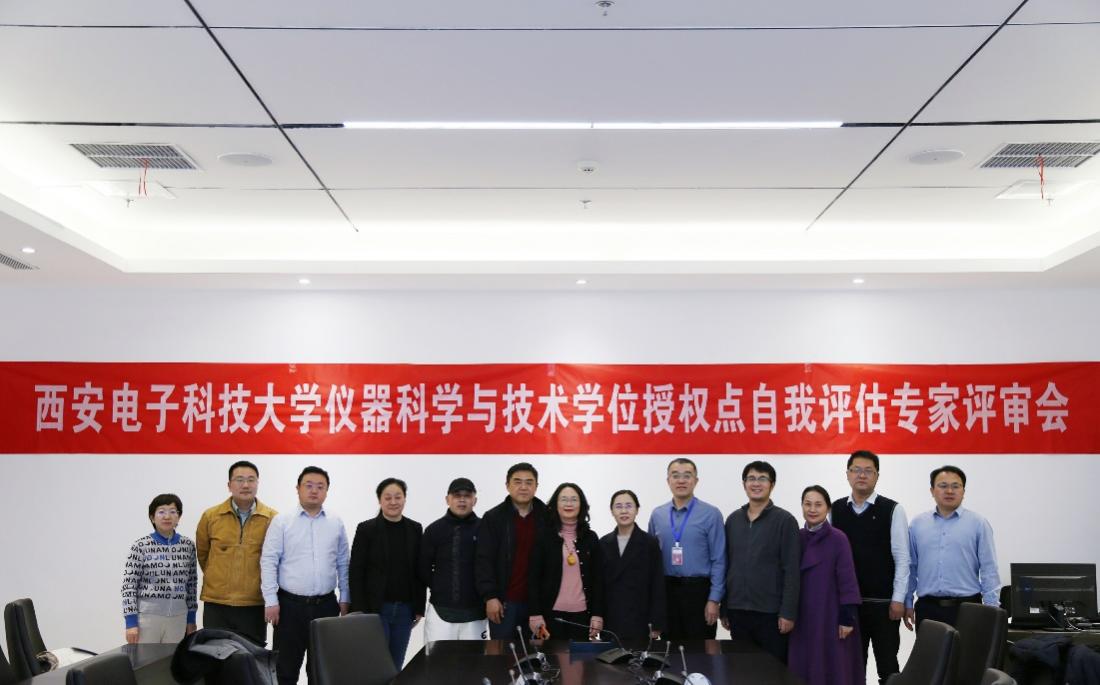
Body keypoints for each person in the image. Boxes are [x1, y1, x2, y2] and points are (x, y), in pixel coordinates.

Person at [261, 466, 350, 685]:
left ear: (327, 491)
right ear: (298, 489)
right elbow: (269, 561)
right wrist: (270, 600)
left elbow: (343, 562)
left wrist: (345, 597)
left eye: (320, 486)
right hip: (289, 607)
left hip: (326, 606)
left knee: (321, 670)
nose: (314, 490)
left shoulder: (335, 522)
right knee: (285, 669)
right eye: (308, 485)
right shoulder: (282, 521)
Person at [830, 450, 910, 685]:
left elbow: (902, 558)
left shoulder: (892, 509)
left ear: (877, 476)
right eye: (856, 470)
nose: (861, 475)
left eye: (868, 471)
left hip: (885, 605)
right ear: (847, 474)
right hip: (849, 605)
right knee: (853, 667)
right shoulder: (835, 509)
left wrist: (898, 599)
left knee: (888, 667)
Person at [721, 460, 800, 664]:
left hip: (771, 613)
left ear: (772, 485)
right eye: (751, 479)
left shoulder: (785, 521)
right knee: (741, 670)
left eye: (762, 479)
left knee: (773, 672)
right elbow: (726, 565)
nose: (756, 483)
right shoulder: (733, 520)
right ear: (744, 484)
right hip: (738, 611)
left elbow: (792, 570)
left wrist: (788, 612)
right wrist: (724, 607)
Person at [906, 465, 1000, 628]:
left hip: (968, 607)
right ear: (932, 491)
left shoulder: (978, 524)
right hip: (928, 608)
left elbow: (989, 569)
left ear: (963, 491)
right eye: (943, 486)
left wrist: (992, 609)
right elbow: (911, 567)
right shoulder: (917, 524)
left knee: (968, 646)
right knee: (931, 646)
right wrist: (907, 601)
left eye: (955, 486)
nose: (949, 491)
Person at [195, 460, 277, 645]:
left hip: (254, 603)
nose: (245, 485)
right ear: (229, 485)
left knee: (250, 656)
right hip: (217, 603)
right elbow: (204, 555)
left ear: (258, 483)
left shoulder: (272, 519)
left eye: (251, 480)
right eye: (239, 480)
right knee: (215, 655)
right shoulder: (211, 516)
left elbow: (275, 561)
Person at [788, 485, 864, 685]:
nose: (812, 509)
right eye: (807, 504)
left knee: (832, 666)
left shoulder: (838, 538)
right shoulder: (796, 537)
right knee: (803, 665)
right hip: (802, 615)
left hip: (830, 614)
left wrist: (847, 617)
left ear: (828, 508)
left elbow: (847, 580)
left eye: (818, 505)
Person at [350, 477, 426, 669]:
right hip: (375, 609)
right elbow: (356, 570)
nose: (393, 502)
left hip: (405, 610)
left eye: (398, 497)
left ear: (404, 499)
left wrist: (419, 606)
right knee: (375, 664)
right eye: (388, 497)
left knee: (395, 665)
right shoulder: (367, 529)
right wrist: (358, 608)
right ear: (380, 500)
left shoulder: (415, 528)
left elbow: (420, 569)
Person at [647, 458, 726, 640]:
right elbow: (651, 560)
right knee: (669, 649)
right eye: (675, 476)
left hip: (699, 592)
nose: (681, 480)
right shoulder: (657, 515)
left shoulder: (711, 514)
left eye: (687, 476)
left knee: (700, 651)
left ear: (696, 481)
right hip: (666, 591)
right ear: (668, 481)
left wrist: (714, 599)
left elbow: (719, 559)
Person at [475, 462, 547, 639]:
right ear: (507, 485)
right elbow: (483, 560)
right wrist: (490, 596)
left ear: (536, 486)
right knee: (502, 653)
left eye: (529, 482)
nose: (523, 487)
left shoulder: (547, 517)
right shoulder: (493, 518)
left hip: (539, 604)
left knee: (538, 653)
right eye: (517, 482)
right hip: (504, 604)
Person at [528, 483, 605, 641]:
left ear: (581, 505)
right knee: (552, 657)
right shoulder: (544, 536)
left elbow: (598, 579)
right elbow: (533, 578)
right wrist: (535, 613)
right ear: (555, 504)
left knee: (580, 657)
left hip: (582, 617)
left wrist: (597, 614)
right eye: (563, 499)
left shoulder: (591, 538)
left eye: (574, 499)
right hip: (550, 617)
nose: (569, 504)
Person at [121, 493, 198, 644]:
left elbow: (191, 585)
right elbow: (129, 586)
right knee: (145, 658)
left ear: (179, 517)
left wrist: (191, 619)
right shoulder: (141, 546)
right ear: (152, 517)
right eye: (161, 512)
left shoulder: (188, 546)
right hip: (147, 619)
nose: (167, 516)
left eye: (173, 511)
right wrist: (131, 623)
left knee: (173, 658)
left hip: (178, 618)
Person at [419, 477, 487, 643]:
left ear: (475, 500)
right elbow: (422, 567)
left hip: (476, 612)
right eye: (457, 495)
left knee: (474, 659)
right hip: (440, 610)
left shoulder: (485, 529)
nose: (462, 500)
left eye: (467, 496)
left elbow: (491, 567)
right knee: (437, 659)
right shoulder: (434, 530)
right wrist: (440, 586)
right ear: (447, 499)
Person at [599, 490, 665, 640]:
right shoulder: (603, 543)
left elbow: (657, 585)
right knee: (610, 655)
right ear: (612, 511)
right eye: (618, 506)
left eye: (629, 506)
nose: (624, 511)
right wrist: (598, 616)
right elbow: (598, 584)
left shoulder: (650, 543)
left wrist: (657, 623)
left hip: (640, 617)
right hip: (611, 617)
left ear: (637, 510)